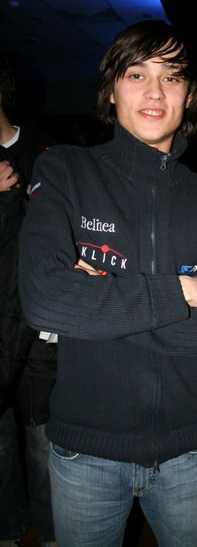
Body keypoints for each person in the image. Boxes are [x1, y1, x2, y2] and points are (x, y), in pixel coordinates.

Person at [18, 20, 197, 547]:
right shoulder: (65, 171)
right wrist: (182, 292)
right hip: (87, 452)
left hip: (193, 452)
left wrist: (101, 308)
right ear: (111, 89)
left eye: (172, 77)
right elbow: (44, 299)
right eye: (136, 74)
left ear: (189, 95)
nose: (154, 92)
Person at [0, 54, 56, 547]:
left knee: (41, 440)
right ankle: (10, 529)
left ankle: (53, 532)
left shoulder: (44, 151)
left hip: (37, 327)